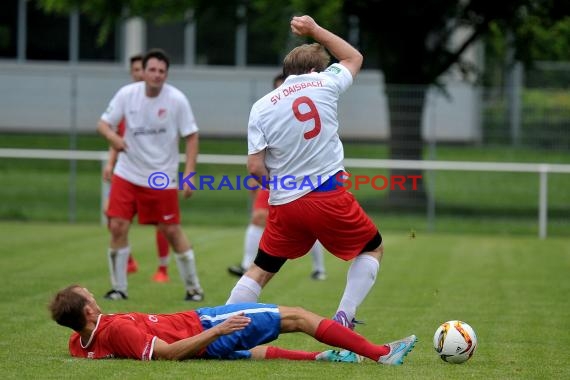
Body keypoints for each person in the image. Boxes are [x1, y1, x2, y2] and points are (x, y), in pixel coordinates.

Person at [226, 15, 383, 330]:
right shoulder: (324, 82)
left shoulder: (261, 106)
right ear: (315, 71)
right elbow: (354, 57)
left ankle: (215, 325)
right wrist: (314, 30)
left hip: (285, 203)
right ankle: (343, 317)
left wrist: (283, 186)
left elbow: (254, 167)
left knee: (262, 269)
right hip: (328, 195)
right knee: (371, 247)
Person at [49, 284, 416, 364]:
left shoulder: (79, 343)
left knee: (252, 351)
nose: (95, 296)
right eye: (89, 298)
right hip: (202, 326)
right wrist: (216, 330)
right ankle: (380, 353)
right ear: (87, 313)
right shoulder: (116, 330)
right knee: (298, 316)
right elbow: (166, 355)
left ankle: (323, 358)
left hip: (201, 329)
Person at [97, 48, 203, 301]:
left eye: (161, 71)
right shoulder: (126, 94)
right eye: (152, 70)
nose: (156, 75)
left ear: (166, 74)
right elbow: (103, 124)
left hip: (161, 177)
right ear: (143, 72)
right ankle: (119, 288)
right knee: (117, 226)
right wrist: (114, 138)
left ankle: (194, 288)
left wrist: (189, 174)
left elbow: (192, 136)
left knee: (172, 231)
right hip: (128, 173)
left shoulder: (176, 99)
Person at [227, 73, 327, 281]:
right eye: (279, 89)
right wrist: (257, 178)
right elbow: (258, 154)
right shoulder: (267, 113)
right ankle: (247, 264)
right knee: (258, 218)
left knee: (310, 224)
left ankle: (319, 268)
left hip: (303, 180)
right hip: (273, 179)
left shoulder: (307, 114)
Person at [102, 53, 171, 282]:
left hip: (156, 173)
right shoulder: (125, 99)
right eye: (136, 71)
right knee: (114, 219)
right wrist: (111, 163)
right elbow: (118, 137)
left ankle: (163, 268)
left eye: (143, 70)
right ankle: (126, 264)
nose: (140, 75)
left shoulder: (164, 101)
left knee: (164, 223)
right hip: (128, 171)